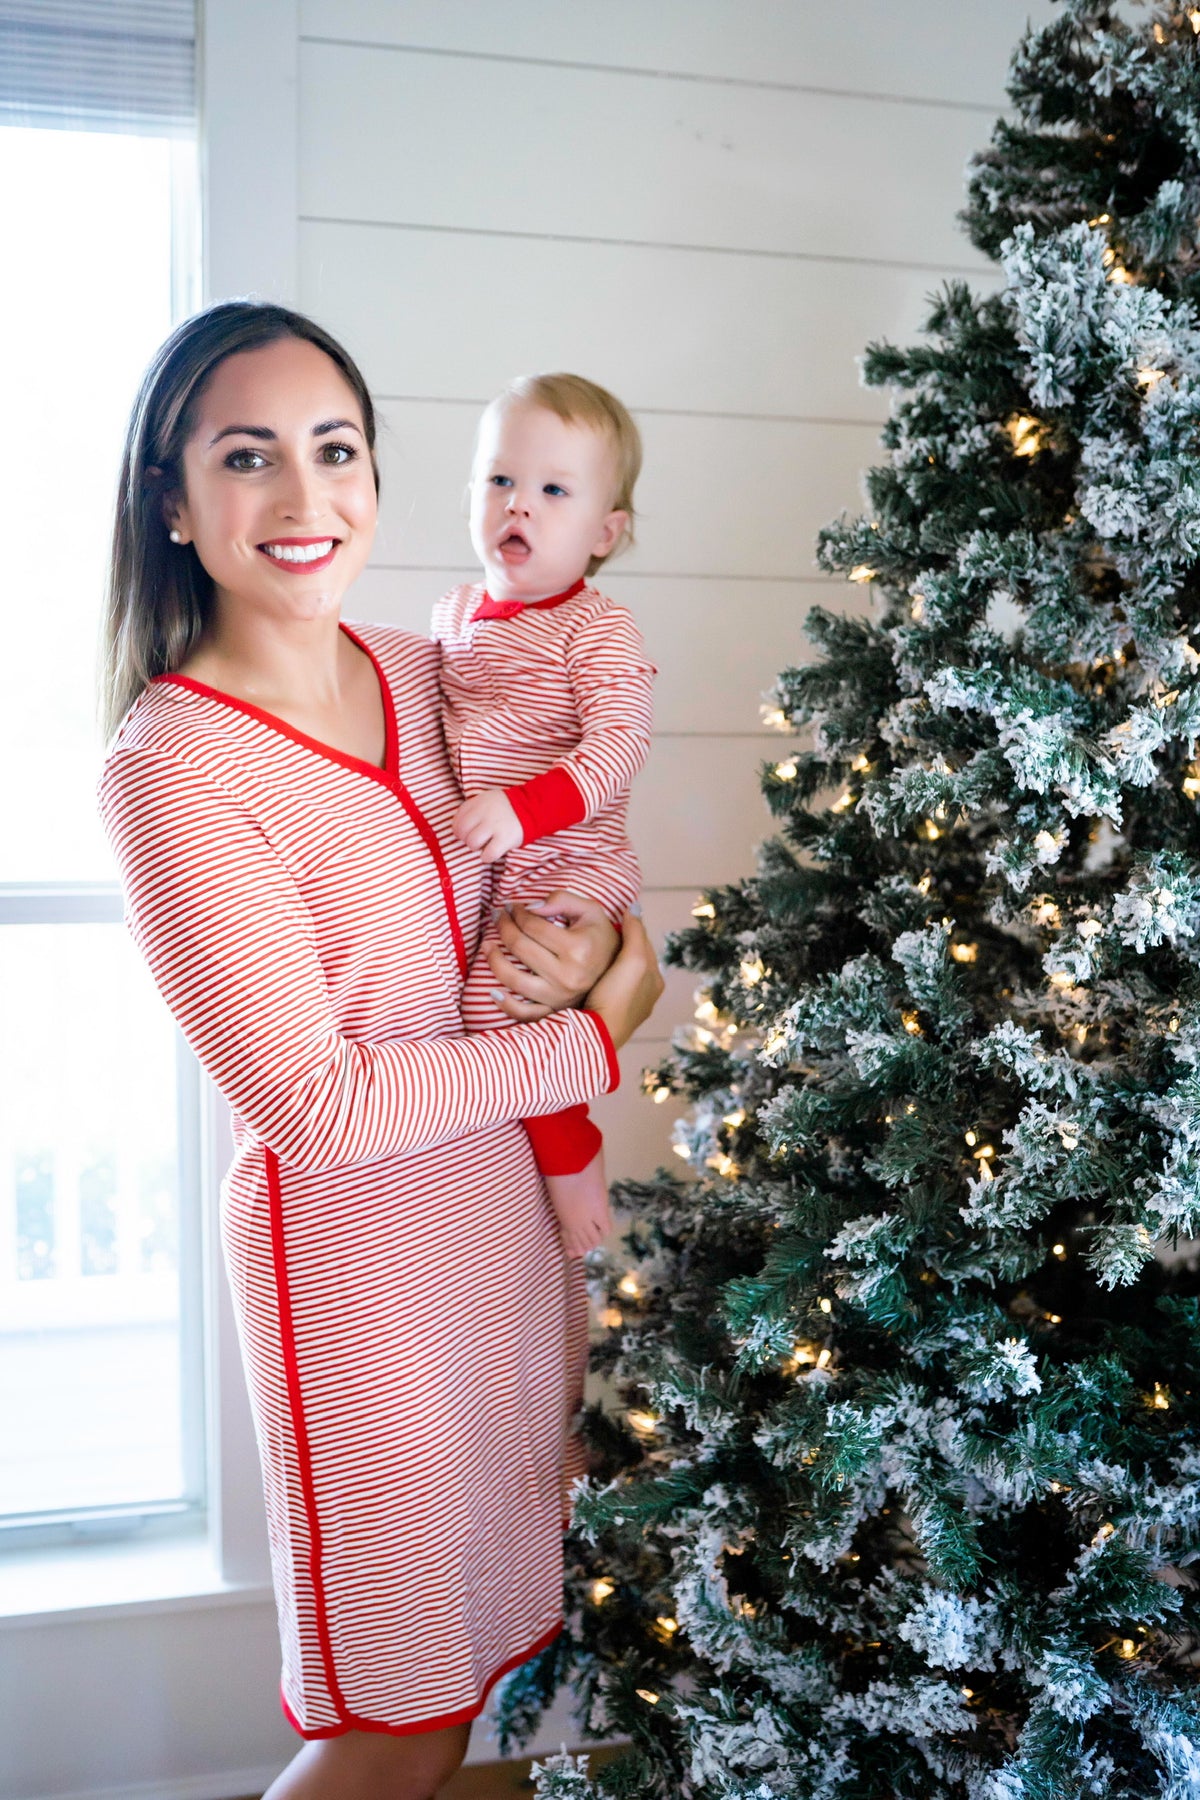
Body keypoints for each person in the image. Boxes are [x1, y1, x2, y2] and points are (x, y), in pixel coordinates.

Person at [97, 301, 662, 1800]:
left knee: (473, 1672)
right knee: (393, 1711)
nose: (304, 499)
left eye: (334, 450)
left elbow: (583, 872)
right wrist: (594, 1044)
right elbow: (320, 1106)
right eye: (247, 457)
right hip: (360, 1283)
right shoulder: (175, 766)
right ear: (174, 501)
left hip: (503, 1245)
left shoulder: (434, 672)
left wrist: (617, 955)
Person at [434, 374, 655, 1259]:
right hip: (501, 860)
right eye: (499, 481)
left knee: (500, 1005)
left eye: (553, 490)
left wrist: (526, 813)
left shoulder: (596, 630)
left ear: (604, 532)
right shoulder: (451, 615)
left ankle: (573, 1155)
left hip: (573, 857)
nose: (518, 503)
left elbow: (617, 748)